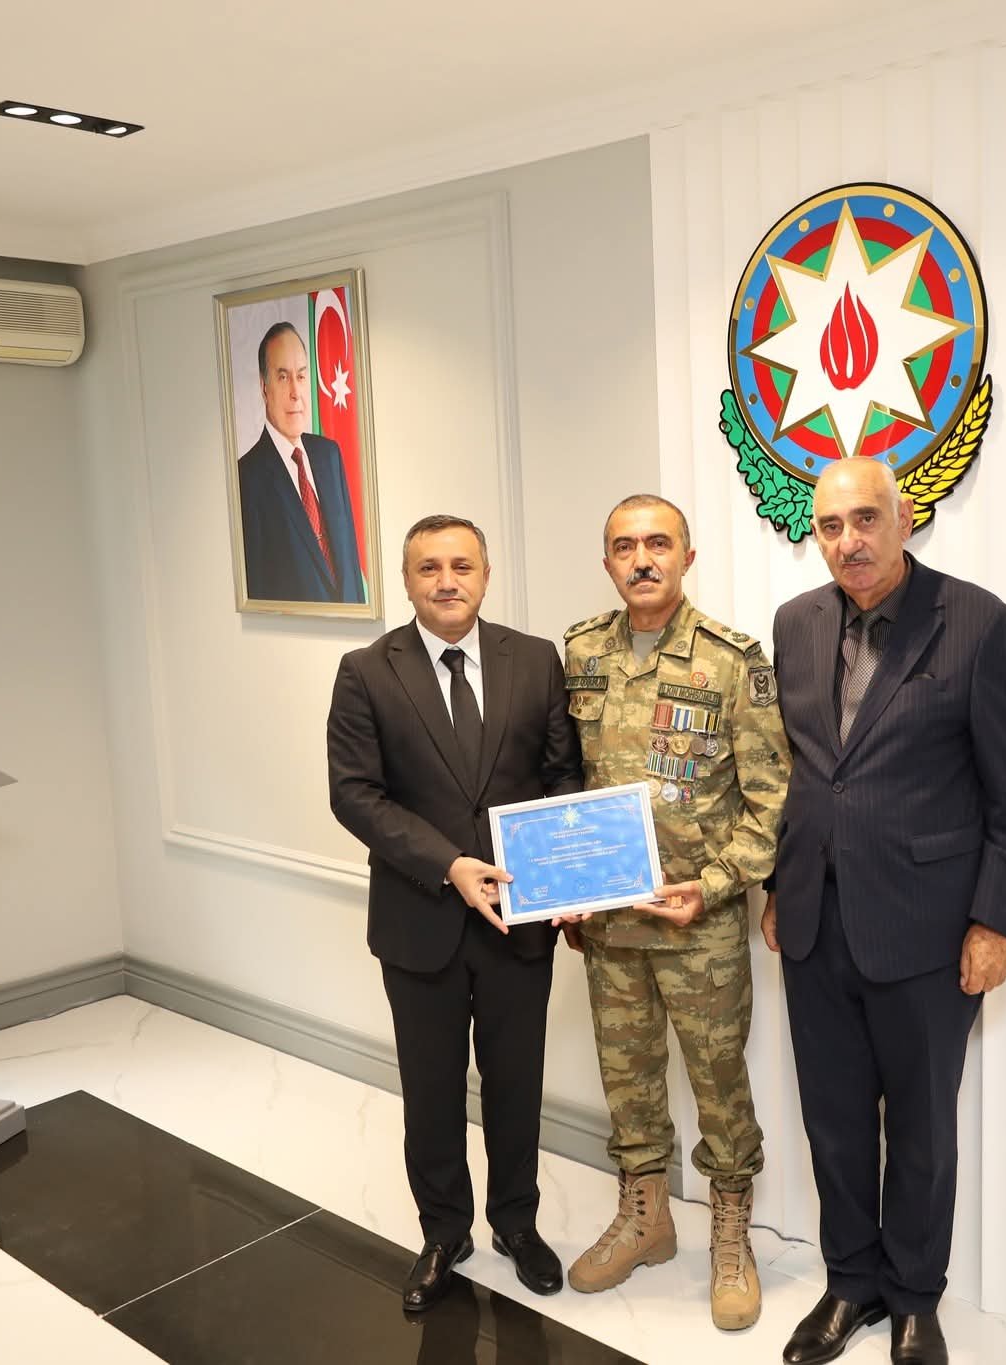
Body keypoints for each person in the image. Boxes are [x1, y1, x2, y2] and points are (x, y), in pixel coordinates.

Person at [765, 458, 1006, 1365]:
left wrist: (995, 921)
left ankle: (917, 1296)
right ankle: (851, 1283)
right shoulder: (796, 623)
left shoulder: (976, 622)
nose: (848, 540)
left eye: (865, 519)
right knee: (834, 1122)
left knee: (921, 1130)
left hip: (928, 929)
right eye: (830, 525)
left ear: (905, 517)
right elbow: (808, 773)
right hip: (815, 923)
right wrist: (778, 887)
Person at [326, 513, 578, 1311]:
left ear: (485, 573)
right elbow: (354, 794)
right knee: (431, 1087)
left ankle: (517, 1223)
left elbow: (562, 775)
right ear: (406, 581)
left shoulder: (534, 660)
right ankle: (444, 1232)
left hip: (518, 919)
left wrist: (564, 875)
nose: (447, 580)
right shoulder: (366, 672)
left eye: (461, 564)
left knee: (516, 1082)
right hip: (420, 917)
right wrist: (447, 864)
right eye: (429, 567)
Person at [559, 494, 790, 1331]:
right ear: (608, 562)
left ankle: (730, 1233)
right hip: (610, 923)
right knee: (627, 1076)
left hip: (700, 924)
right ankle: (645, 1216)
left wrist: (719, 882)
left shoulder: (733, 661)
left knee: (718, 1079)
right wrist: (559, 882)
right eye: (625, 546)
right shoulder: (580, 652)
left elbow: (772, 799)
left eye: (659, 543)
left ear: (688, 558)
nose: (642, 559)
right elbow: (562, 778)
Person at [237, 321, 366, 605]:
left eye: (301, 376)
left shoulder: (329, 455)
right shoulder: (246, 478)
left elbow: (350, 565)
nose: (296, 392)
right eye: (283, 377)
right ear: (264, 388)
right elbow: (257, 593)